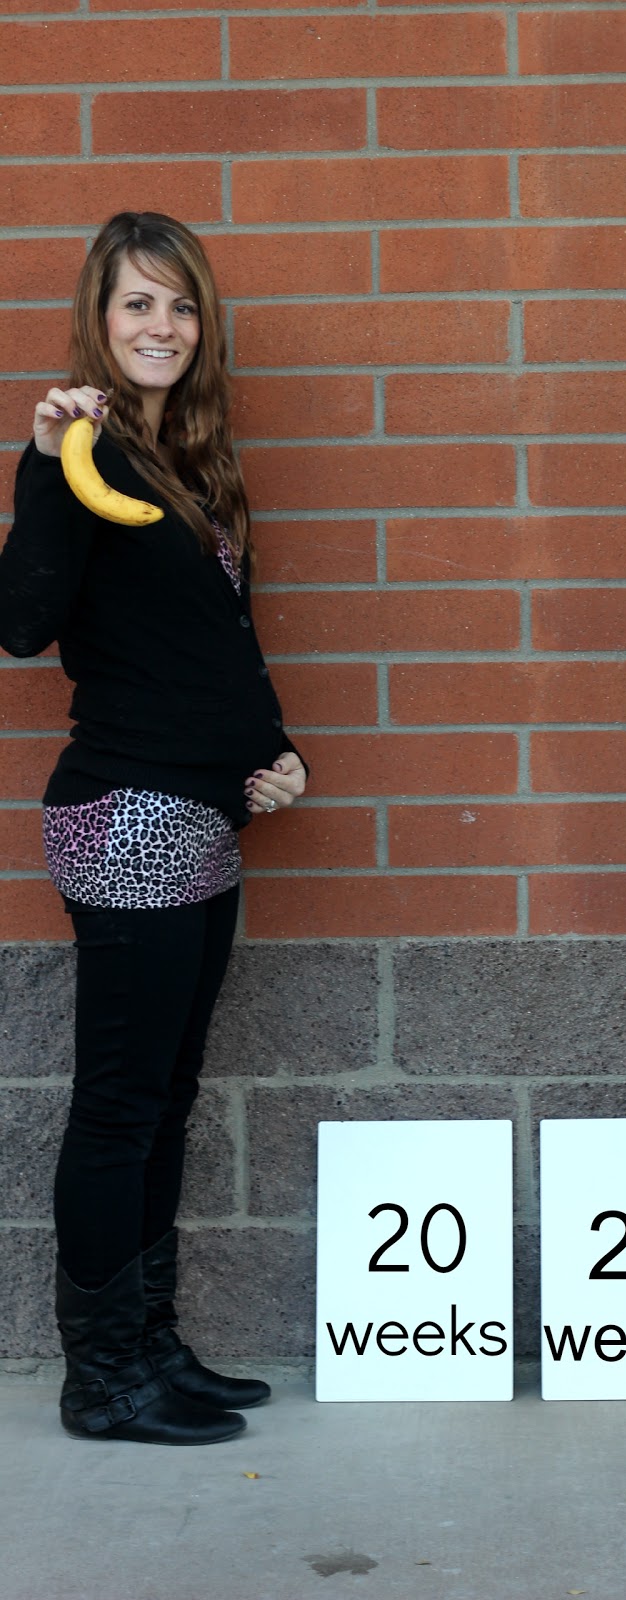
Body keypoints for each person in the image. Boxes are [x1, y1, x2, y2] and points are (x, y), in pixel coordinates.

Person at [0, 212, 307, 1445]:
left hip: (200, 819)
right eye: (137, 303)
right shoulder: (78, 457)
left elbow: (217, 645)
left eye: (180, 305)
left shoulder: (189, 464)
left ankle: (151, 1344)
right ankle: (102, 1377)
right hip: (125, 814)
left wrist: (272, 751)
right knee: (121, 1108)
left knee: (166, 1101)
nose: (161, 326)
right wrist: (39, 465)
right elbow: (23, 624)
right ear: (99, 316)